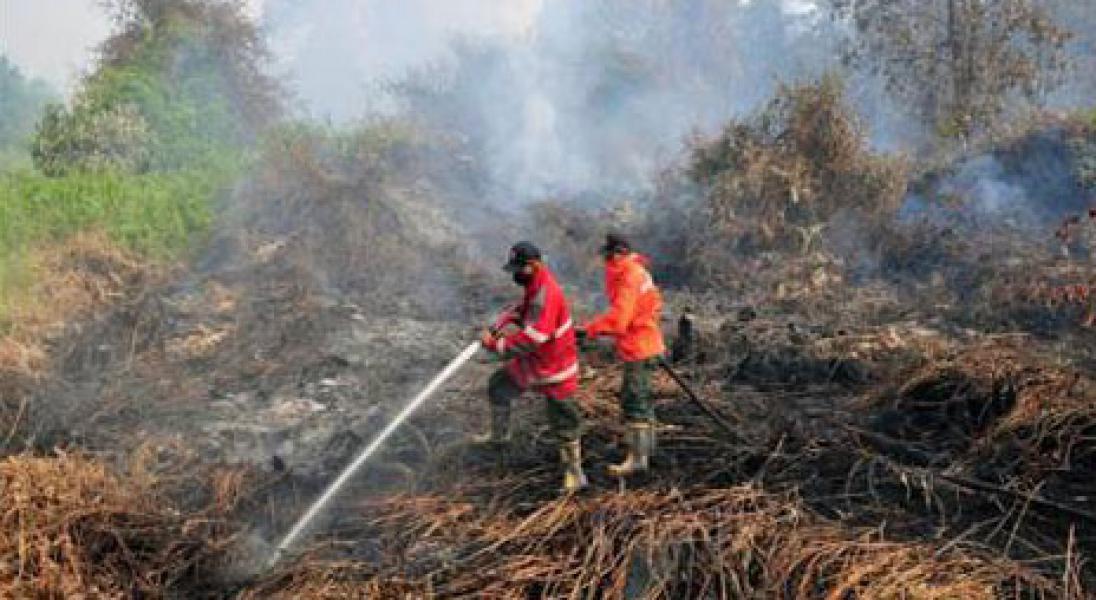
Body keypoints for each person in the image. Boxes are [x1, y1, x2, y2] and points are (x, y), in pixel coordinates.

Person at [478, 242, 587, 492]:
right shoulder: (536, 283)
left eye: (520, 269)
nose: (516, 274)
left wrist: (497, 345)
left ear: (535, 264)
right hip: (535, 362)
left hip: (554, 366)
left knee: (564, 419)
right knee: (498, 386)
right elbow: (526, 310)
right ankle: (500, 437)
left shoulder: (545, 293)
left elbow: (533, 338)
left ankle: (575, 474)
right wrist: (508, 317)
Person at [579, 233, 665, 476]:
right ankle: (646, 452)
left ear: (616, 254)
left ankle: (637, 460)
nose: (605, 263)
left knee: (634, 400)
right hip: (647, 342)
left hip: (639, 347)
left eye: (607, 258)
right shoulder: (638, 270)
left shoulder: (628, 277)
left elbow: (619, 321)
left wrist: (590, 329)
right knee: (643, 400)